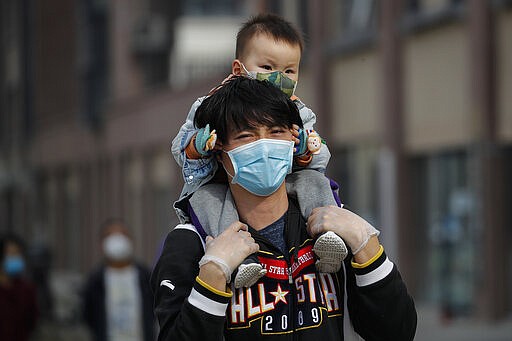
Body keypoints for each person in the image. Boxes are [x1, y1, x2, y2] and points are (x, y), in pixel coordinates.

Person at [152, 76, 417, 340]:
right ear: (219, 148)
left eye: (276, 132)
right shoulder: (193, 240)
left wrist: (367, 246)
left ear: (293, 138)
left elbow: (396, 332)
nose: (265, 146)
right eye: (246, 136)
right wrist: (213, 273)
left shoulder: (331, 226)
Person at [171, 13, 347, 288]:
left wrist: (304, 152)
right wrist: (198, 143)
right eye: (267, 66)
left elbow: (320, 156)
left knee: (314, 181)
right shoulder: (215, 104)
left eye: (290, 70)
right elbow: (181, 148)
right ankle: (240, 261)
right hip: (224, 183)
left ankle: (327, 235)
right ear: (239, 68)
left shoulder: (298, 111)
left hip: (283, 184)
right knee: (207, 200)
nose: (279, 77)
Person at [82, 218, 155, 341]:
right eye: (110, 235)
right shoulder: (94, 281)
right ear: (102, 243)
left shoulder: (146, 277)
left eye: (122, 234)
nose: (117, 240)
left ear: (131, 240)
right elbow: (89, 316)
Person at [0, 233, 38, 341]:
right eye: (12, 254)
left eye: (19, 254)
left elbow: (32, 323)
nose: (17, 259)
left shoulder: (27, 290)